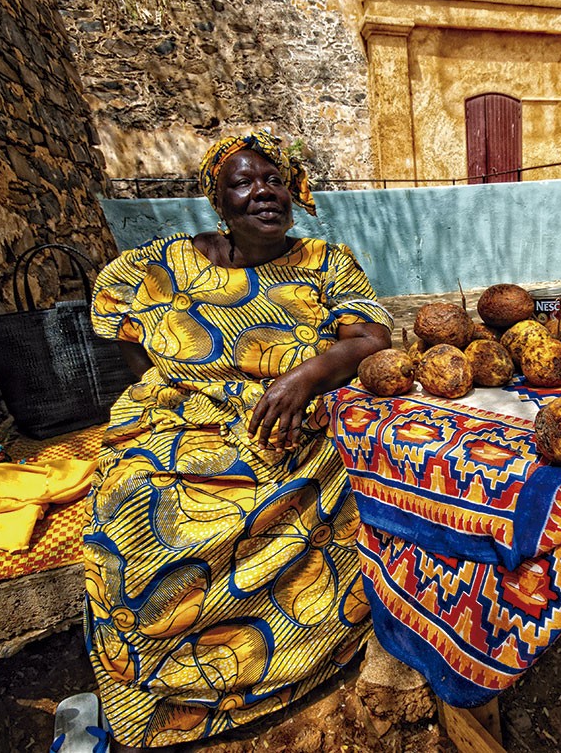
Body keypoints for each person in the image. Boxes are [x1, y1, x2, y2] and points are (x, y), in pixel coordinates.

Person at [82, 130, 393, 749]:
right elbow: (121, 337)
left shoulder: (325, 261)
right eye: (243, 184)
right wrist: (170, 391)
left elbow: (370, 338)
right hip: (180, 414)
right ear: (218, 202)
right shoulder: (161, 265)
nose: (263, 193)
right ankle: (162, 692)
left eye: (273, 181)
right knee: (130, 505)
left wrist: (303, 378)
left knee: (317, 475)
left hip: (287, 415)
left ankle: (291, 662)